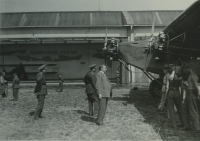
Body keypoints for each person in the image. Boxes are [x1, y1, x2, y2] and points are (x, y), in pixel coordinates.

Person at [181, 64, 200, 131]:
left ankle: (197, 128)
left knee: (193, 110)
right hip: (189, 92)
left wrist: (197, 95)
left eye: (185, 70)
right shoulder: (190, 75)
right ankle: (187, 126)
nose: (184, 71)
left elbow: (196, 87)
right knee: (184, 108)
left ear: (188, 68)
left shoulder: (192, 76)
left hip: (191, 93)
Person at [165, 64, 183, 129]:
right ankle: (183, 123)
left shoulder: (168, 76)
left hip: (170, 92)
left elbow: (167, 87)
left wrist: (165, 96)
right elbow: (182, 87)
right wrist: (182, 95)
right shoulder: (179, 77)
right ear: (175, 69)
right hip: (177, 92)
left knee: (171, 109)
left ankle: (174, 125)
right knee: (180, 109)